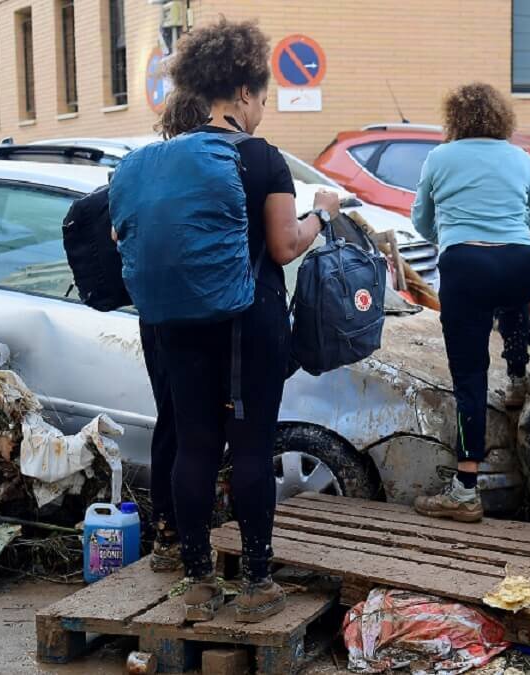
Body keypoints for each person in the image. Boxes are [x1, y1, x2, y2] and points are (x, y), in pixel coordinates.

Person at [157, 19, 340, 622]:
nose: (262, 110)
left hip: (180, 325)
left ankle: (198, 583)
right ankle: (259, 584)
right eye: (262, 98)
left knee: (195, 446)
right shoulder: (262, 157)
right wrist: (324, 218)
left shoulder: (167, 156)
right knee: (252, 448)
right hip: (249, 324)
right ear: (241, 93)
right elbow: (285, 246)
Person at [410, 82, 530, 523]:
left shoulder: (439, 157)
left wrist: (454, 239)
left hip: (465, 266)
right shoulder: (518, 156)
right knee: (507, 290)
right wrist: (507, 232)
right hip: (524, 264)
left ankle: (464, 490)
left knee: (468, 377)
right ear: (499, 118)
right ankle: (515, 376)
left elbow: (421, 221)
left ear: (456, 118)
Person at [131, 89, 213, 573]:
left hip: (152, 311)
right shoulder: (199, 170)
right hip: (192, 311)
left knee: (170, 418)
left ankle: (165, 529)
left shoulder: (144, 170)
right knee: (193, 423)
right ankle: (184, 533)